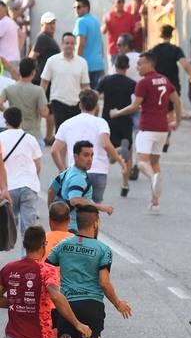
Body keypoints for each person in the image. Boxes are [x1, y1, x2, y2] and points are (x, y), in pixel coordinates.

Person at [46, 206, 132, 338]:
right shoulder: (103, 249)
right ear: (96, 224)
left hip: (66, 305)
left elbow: (47, 269)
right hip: (91, 305)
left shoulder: (64, 245)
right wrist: (118, 303)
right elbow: (103, 282)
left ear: (77, 223)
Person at [109, 51, 181, 214]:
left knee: (142, 163)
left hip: (148, 128)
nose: (137, 66)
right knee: (155, 163)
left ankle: (153, 178)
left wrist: (117, 113)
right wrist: (178, 121)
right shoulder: (164, 79)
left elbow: (134, 106)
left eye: (140, 64)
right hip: (163, 129)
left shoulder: (143, 83)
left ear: (149, 64)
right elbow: (176, 101)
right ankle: (155, 202)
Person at [51, 88, 124, 203]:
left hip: (75, 171)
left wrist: (62, 170)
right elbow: (106, 144)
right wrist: (120, 161)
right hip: (98, 171)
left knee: (75, 207)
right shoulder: (101, 123)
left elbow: (54, 151)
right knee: (94, 210)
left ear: (80, 105)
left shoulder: (67, 124)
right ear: (96, 106)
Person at [48, 140, 114, 232]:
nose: (90, 159)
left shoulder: (68, 171)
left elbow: (51, 190)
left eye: (92, 155)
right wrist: (101, 207)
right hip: (75, 230)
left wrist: (52, 213)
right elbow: (75, 200)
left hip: (63, 227)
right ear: (76, 157)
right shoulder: (78, 178)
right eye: (86, 155)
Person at [97, 54, 136, 196]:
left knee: (110, 155)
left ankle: (118, 149)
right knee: (128, 155)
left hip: (108, 121)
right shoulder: (132, 83)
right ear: (127, 67)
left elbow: (95, 96)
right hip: (125, 120)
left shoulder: (105, 80)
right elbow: (137, 103)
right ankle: (125, 184)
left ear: (114, 65)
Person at [0, 106, 42, 236]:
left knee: (7, 229)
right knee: (28, 230)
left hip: (8, 188)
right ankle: (28, 256)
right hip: (28, 186)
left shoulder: (1, 137)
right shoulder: (30, 138)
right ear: (21, 121)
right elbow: (37, 165)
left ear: (6, 121)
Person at [40, 32, 90, 129]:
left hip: (76, 104)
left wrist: (88, 104)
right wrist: (41, 102)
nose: (69, 46)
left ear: (75, 45)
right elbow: (44, 82)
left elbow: (85, 86)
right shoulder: (52, 60)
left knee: (75, 133)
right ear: (62, 44)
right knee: (60, 132)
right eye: (67, 43)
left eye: (72, 43)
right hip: (58, 102)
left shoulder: (82, 62)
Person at [0, 57, 52, 143]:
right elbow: (44, 113)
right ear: (33, 72)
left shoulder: (9, 88)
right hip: (33, 134)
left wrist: (8, 111)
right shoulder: (38, 90)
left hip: (14, 133)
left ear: (20, 71)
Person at [151, 24, 191, 96]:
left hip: (157, 84)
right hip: (172, 85)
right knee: (174, 106)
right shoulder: (175, 49)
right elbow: (185, 65)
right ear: (171, 36)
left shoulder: (154, 50)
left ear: (160, 35)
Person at [73, 0, 106, 89]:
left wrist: (76, 63)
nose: (76, 10)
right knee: (94, 97)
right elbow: (101, 43)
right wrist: (101, 61)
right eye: (74, 7)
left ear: (86, 8)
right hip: (98, 64)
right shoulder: (95, 20)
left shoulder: (81, 21)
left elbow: (81, 44)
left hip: (86, 66)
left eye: (79, 7)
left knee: (84, 97)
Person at [101, 0, 137, 69]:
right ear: (113, 3)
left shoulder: (129, 16)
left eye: (122, 1)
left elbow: (134, 31)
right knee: (113, 72)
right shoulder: (109, 16)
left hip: (127, 50)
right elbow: (103, 31)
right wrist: (106, 23)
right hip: (114, 50)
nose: (120, 4)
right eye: (118, 2)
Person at [28, 11, 60, 85]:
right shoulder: (43, 37)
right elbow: (31, 58)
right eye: (49, 23)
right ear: (42, 25)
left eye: (53, 23)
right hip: (42, 80)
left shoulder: (48, 38)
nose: (52, 26)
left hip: (48, 79)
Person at [0, 0, 24, 69]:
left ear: (4, 9)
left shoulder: (2, 22)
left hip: (6, 61)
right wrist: (17, 50)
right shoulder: (10, 21)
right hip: (14, 58)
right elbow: (22, 35)